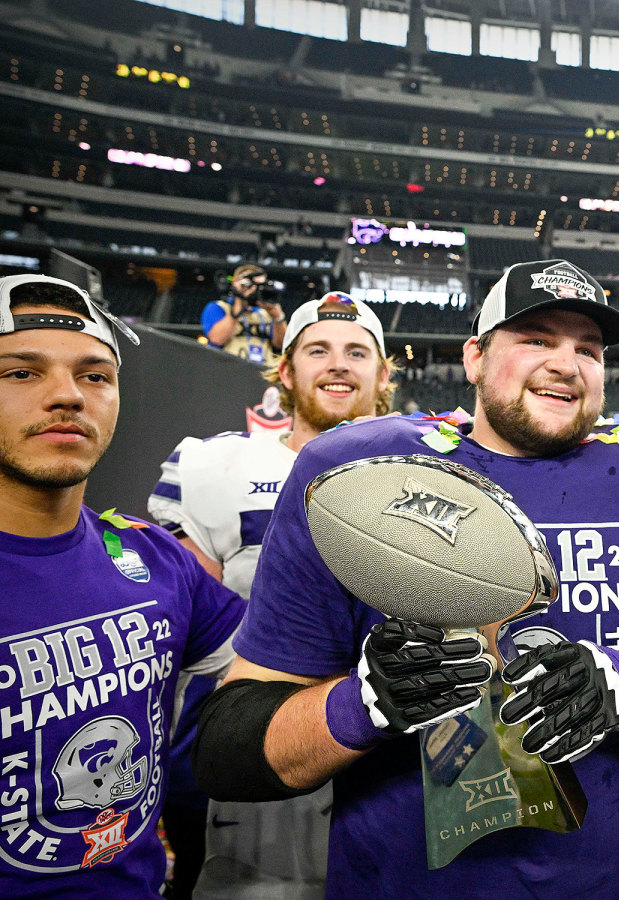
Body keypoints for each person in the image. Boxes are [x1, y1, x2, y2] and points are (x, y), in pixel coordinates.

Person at [191, 259, 619, 899]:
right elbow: (228, 748)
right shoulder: (355, 472)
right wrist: (364, 704)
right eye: (537, 339)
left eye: (589, 349)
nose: (566, 365)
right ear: (474, 357)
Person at [0, 274, 245, 898]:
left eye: (95, 376)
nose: (68, 397)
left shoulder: (154, 556)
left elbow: (272, 657)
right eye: (21, 373)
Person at [147, 292, 394, 899]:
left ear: (384, 373)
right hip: (253, 745)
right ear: (284, 370)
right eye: (318, 350)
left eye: (357, 352)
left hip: (391, 751)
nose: (338, 364)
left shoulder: (433, 468)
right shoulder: (218, 463)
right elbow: (183, 629)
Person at [201, 264, 284, 365]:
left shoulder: (266, 313)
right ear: (237, 283)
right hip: (228, 371)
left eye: (259, 286)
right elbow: (217, 339)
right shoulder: (218, 307)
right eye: (251, 285)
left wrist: (278, 317)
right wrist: (239, 301)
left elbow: (282, 345)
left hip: (262, 372)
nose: (254, 289)